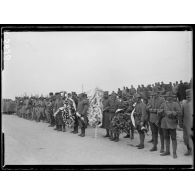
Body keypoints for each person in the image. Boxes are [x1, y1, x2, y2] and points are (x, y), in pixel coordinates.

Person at [158, 91, 182, 159]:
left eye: (170, 96)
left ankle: (174, 153)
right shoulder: (163, 104)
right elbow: (159, 111)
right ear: (166, 97)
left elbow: (180, 113)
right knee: (166, 137)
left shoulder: (176, 104)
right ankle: (167, 151)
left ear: (172, 97)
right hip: (164, 123)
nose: (169, 98)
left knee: (173, 138)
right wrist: (160, 112)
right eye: (167, 96)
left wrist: (172, 112)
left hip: (172, 123)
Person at [181, 89, 193, 156]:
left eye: (189, 96)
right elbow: (181, 113)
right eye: (187, 96)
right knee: (186, 138)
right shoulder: (184, 103)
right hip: (186, 123)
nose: (188, 98)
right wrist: (181, 122)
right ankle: (189, 149)